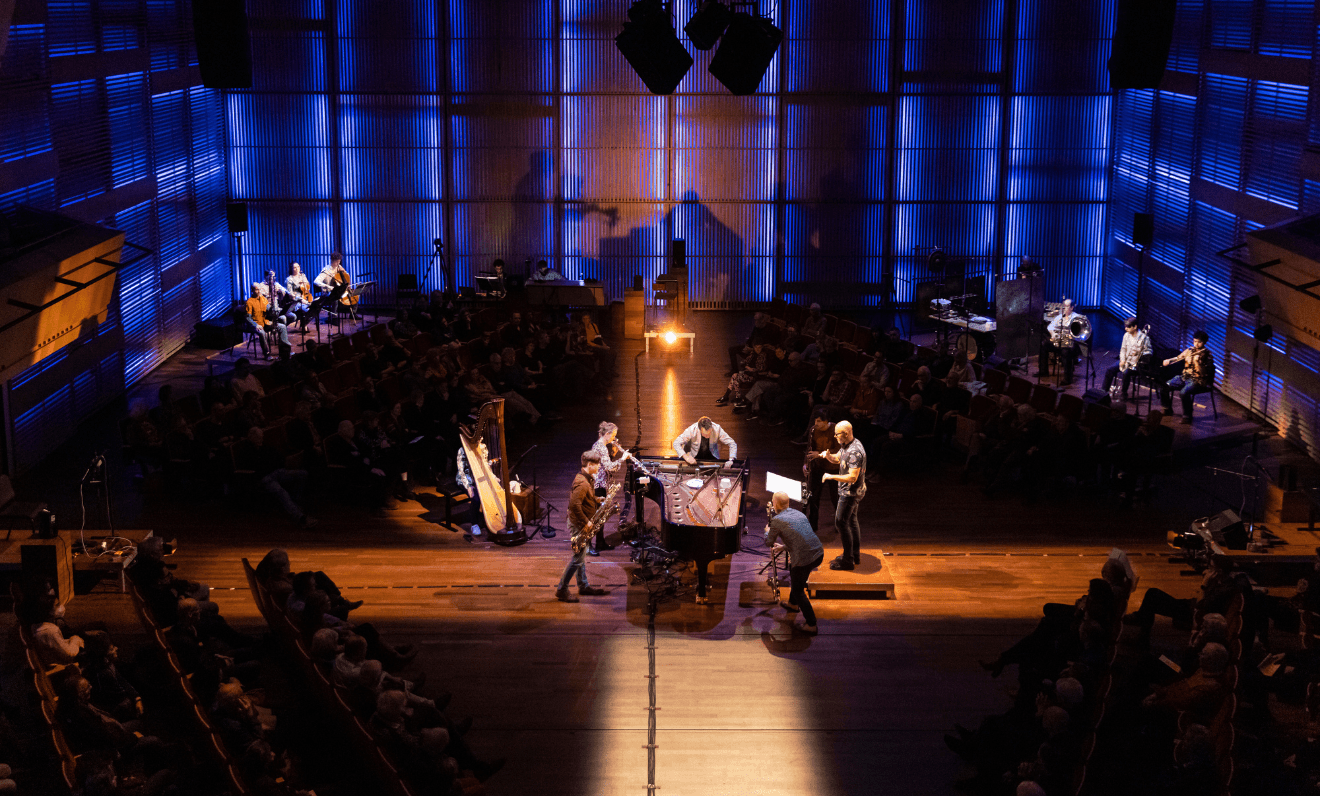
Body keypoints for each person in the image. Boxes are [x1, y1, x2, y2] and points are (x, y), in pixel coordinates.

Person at [765, 492, 825, 634]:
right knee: (796, 578)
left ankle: (811, 624)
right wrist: (785, 547)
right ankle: (793, 604)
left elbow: (768, 542)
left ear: (775, 504)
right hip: (818, 554)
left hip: (804, 559)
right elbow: (800, 538)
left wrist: (767, 531)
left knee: (798, 590)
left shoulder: (777, 520)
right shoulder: (799, 514)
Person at [556, 450, 610, 602]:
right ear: (590, 465)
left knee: (581, 555)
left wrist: (596, 499)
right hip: (579, 525)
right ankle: (562, 590)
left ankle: (583, 585)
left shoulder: (586, 479)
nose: (599, 467)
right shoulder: (582, 483)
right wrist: (586, 522)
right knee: (578, 558)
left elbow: (584, 499)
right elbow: (574, 505)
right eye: (597, 464)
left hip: (580, 523)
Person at [822, 420, 866, 571]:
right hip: (850, 491)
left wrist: (831, 476)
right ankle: (854, 555)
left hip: (850, 493)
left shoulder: (855, 451)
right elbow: (839, 458)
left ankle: (848, 561)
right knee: (852, 522)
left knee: (841, 523)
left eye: (837, 434)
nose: (835, 436)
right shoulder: (847, 445)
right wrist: (828, 456)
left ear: (846, 434)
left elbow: (852, 477)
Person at [1160, 330, 1215, 424]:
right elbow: (1179, 358)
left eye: (1199, 342)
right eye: (1195, 341)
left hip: (1197, 380)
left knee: (1183, 393)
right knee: (1165, 386)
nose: (1196, 344)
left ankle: (1187, 416)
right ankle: (1167, 408)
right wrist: (1169, 360)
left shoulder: (1207, 355)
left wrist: (1200, 364)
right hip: (1185, 377)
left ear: (1204, 342)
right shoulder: (1189, 350)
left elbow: (1209, 371)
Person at [588, 421, 627, 555]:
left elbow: (607, 465)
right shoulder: (601, 447)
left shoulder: (602, 446)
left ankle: (600, 542)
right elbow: (610, 467)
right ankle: (587, 545)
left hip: (602, 484)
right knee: (596, 517)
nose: (614, 438)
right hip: (597, 486)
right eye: (613, 435)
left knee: (601, 516)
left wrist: (614, 454)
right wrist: (623, 458)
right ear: (608, 434)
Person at [801, 409, 839, 531]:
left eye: (818, 421)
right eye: (815, 420)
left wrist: (820, 454)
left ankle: (840, 524)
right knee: (814, 497)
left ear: (826, 421)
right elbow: (809, 449)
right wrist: (805, 464)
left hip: (833, 469)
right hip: (818, 467)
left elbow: (838, 451)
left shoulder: (836, 430)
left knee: (835, 498)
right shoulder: (813, 430)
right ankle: (813, 525)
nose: (815, 423)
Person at [1103, 317, 1151, 401]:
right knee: (1109, 370)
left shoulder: (1144, 338)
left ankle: (1123, 393)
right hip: (1126, 361)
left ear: (1135, 327)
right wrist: (1122, 360)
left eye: (1128, 327)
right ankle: (1104, 391)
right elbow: (1123, 349)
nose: (1125, 329)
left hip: (1136, 364)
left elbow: (1149, 352)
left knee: (1126, 372)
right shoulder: (1126, 335)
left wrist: (1140, 354)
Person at [1038, 298, 1082, 386]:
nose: (1063, 308)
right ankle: (1043, 371)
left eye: (1066, 306)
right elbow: (1050, 327)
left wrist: (1070, 335)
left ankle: (1067, 378)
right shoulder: (1059, 317)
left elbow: (1080, 333)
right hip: (1059, 342)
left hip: (1071, 345)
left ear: (1072, 307)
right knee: (1044, 345)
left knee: (1065, 352)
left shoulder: (1077, 317)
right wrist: (1053, 335)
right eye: (1063, 306)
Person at [244, 283, 290, 359]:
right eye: (256, 289)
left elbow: (268, 310)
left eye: (259, 289)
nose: (258, 291)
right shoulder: (249, 302)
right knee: (262, 333)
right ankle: (267, 354)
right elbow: (248, 318)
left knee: (282, 327)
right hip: (255, 325)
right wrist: (256, 325)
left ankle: (285, 351)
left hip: (264, 322)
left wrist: (272, 309)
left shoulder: (263, 299)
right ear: (252, 290)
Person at [672, 416, 736, 468]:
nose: (708, 436)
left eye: (709, 433)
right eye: (705, 434)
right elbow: (676, 443)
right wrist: (686, 457)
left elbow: (732, 443)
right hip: (695, 456)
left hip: (712, 455)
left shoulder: (717, 428)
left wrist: (731, 459)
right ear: (699, 429)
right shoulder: (692, 429)